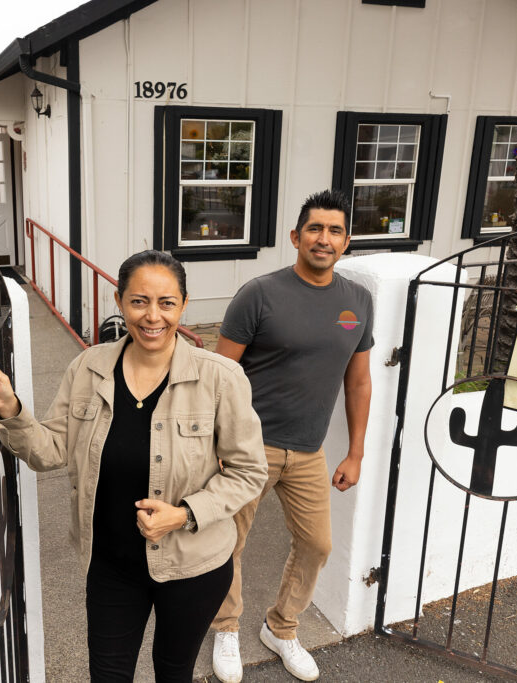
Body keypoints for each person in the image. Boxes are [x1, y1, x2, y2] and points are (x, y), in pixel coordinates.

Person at [0, 250, 267, 682]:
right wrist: (10, 410)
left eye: (167, 303)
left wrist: (186, 513)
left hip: (193, 565)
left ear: (183, 305)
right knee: (108, 674)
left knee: (174, 671)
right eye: (139, 301)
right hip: (111, 565)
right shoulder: (87, 368)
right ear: (119, 300)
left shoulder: (220, 377)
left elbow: (249, 472)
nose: (153, 316)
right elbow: (52, 449)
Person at [210, 189, 374, 682]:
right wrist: (215, 444)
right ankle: (226, 628)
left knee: (317, 544)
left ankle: (281, 629)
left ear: (346, 242)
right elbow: (221, 374)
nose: (324, 239)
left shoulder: (357, 301)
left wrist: (356, 453)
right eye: (315, 229)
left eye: (335, 231)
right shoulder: (259, 294)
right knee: (227, 544)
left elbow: (359, 380)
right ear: (295, 237)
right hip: (248, 448)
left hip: (308, 450)